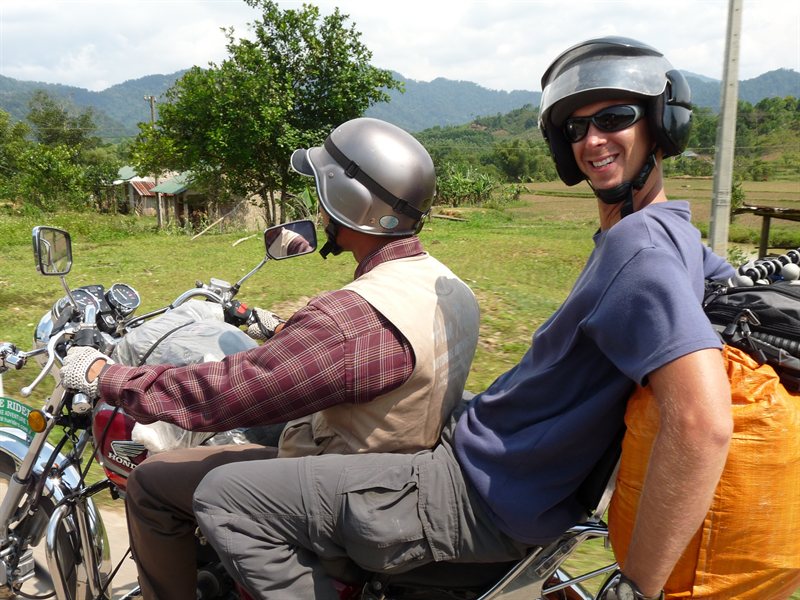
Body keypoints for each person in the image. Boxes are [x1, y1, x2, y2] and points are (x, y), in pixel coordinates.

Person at [191, 37, 734, 600]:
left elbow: (702, 423)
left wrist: (636, 589)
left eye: (615, 118)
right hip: (490, 466)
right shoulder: (675, 237)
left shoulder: (641, 249)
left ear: (661, 124)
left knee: (226, 498)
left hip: (474, 492)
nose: (593, 140)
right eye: (575, 128)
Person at [60, 117, 480, 600]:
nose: (319, 206)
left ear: (348, 202)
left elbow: (221, 396)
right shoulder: (446, 285)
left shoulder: (351, 319)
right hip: (395, 471)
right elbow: (372, 360)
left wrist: (105, 375)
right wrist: (278, 328)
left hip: (340, 487)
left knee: (153, 484)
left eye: (322, 190)